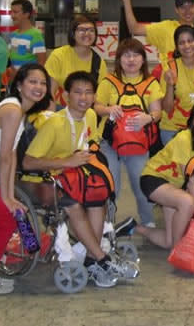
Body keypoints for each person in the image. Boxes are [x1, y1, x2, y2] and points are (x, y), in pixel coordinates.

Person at [23, 71, 139, 288]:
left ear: (95, 96)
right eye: (77, 92)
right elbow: (28, 163)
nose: (83, 98)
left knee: (98, 198)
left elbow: (89, 146)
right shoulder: (54, 124)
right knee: (74, 206)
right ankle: (102, 260)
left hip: (71, 176)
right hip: (40, 181)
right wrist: (67, 161)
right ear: (66, 95)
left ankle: (89, 260)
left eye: (88, 93)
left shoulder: (91, 116)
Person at [0, 63, 51, 294]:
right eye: (32, 82)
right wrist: (5, 197)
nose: (38, 87)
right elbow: (4, 157)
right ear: (19, 85)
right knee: (6, 222)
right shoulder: (12, 110)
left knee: (10, 214)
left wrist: (8, 196)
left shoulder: (20, 112)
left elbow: (12, 157)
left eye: (43, 83)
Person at [94, 38, 164, 228]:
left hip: (139, 144)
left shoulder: (151, 83)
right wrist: (109, 110)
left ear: (143, 59)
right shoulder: (109, 81)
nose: (131, 60)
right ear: (119, 59)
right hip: (109, 144)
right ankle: (108, 226)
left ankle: (148, 222)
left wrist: (147, 118)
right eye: (126, 55)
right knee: (110, 186)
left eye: (136, 55)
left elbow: (157, 112)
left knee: (141, 185)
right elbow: (97, 106)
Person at [137, 100, 194, 250]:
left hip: (174, 188)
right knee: (187, 202)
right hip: (154, 178)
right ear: (192, 120)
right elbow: (190, 180)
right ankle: (179, 253)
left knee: (169, 241)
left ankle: (134, 228)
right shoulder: (185, 138)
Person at [119, 0, 194, 67]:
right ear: (176, 10)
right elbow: (134, 29)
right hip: (170, 82)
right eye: (183, 7)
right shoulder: (165, 28)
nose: (187, 11)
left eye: (190, 6)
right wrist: (127, 0)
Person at [45, 15, 107, 106]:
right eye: (82, 30)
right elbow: (49, 93)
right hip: (60, 109)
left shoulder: (99, 63)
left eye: (91, 30)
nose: (87, 34)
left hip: (86, 111)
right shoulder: (58, 55)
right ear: (73, 34)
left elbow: (100, 97)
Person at [7, 0, 46, 78]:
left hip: (28, 81)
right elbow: (11, 59)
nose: (12, 16)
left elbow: (41, 62)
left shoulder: (35, 34)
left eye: (15, 12)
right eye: (11, 12)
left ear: (26, 14)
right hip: (15, 81)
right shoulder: (13, 35)